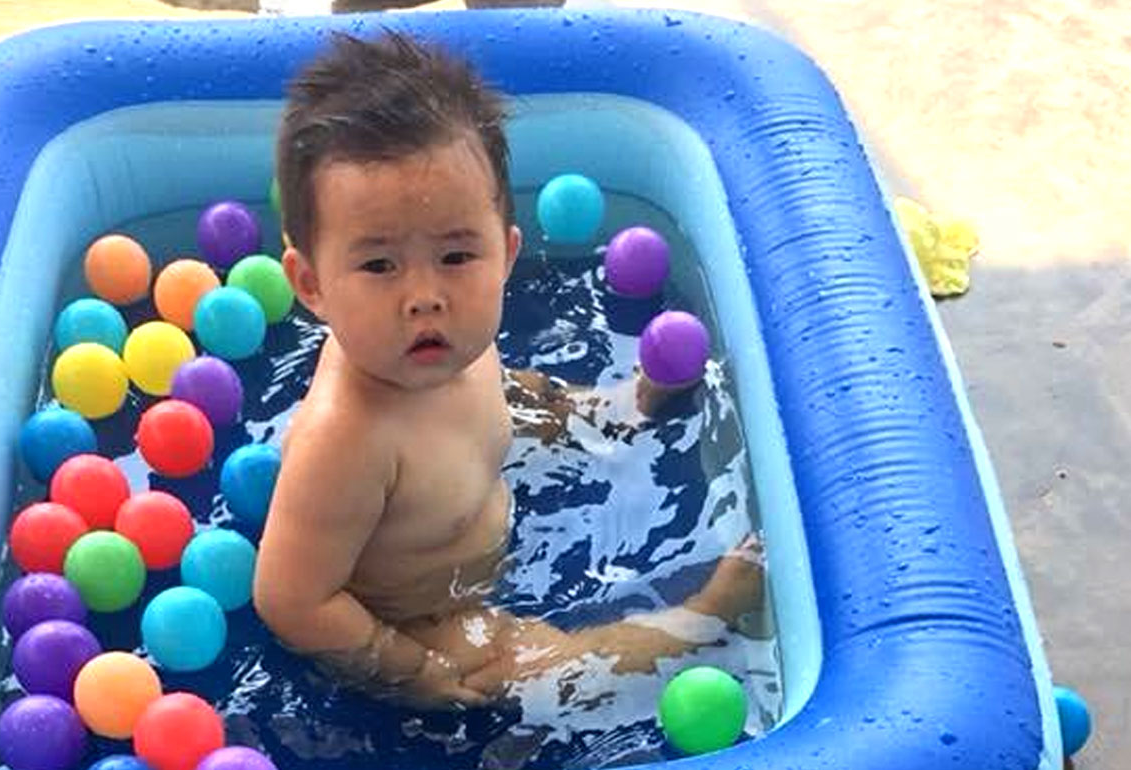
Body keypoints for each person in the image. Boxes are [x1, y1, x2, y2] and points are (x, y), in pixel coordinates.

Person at [254, 30, 763, 711]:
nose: (425, 296)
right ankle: (704, 618)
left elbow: (507, 394)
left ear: (506, 253)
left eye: (456, 257)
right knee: (530, 669)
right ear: (311, 285)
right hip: (423, 615)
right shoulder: (345, 441)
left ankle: (617, 406)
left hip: (475, 538)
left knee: (532, 395)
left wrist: (575, 409)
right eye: (378, 265)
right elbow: (290, 599)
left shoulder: (453, 344)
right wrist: (405, 666)